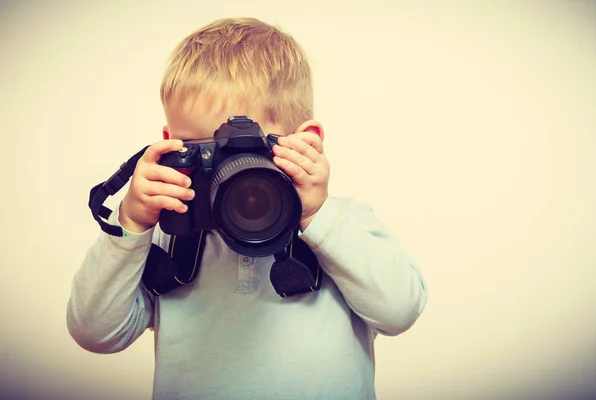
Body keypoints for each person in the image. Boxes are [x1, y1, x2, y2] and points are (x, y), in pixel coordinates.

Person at [67, 17, 428, 400]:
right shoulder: (172, 234)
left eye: (251, 149)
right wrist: (132, 225)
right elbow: (96, 333)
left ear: (306, 143)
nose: (230, 174)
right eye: (203, 151)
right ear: (170, 148)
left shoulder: (341, 225)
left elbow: (399, 312)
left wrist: (316, 217)